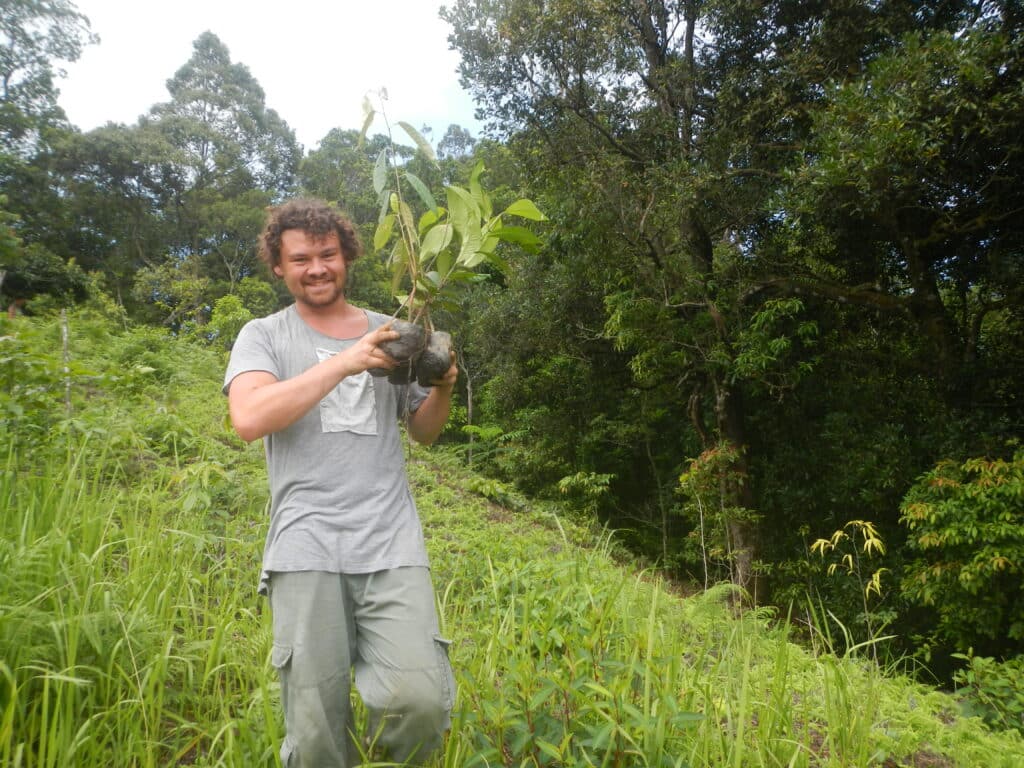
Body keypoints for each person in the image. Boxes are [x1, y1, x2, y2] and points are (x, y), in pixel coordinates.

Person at [223, 198, 457, 767]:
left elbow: (423, 432)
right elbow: (250, 419)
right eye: (300, 258)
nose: (317, 267)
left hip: (390, 542)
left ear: (346, 255)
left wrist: (445, 385)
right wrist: (345, 362)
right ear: (278, 267)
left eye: (327, 254)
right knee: (315, 725)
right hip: (305, 547)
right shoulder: (263, 335)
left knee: (420, 699)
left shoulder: (394, 331)